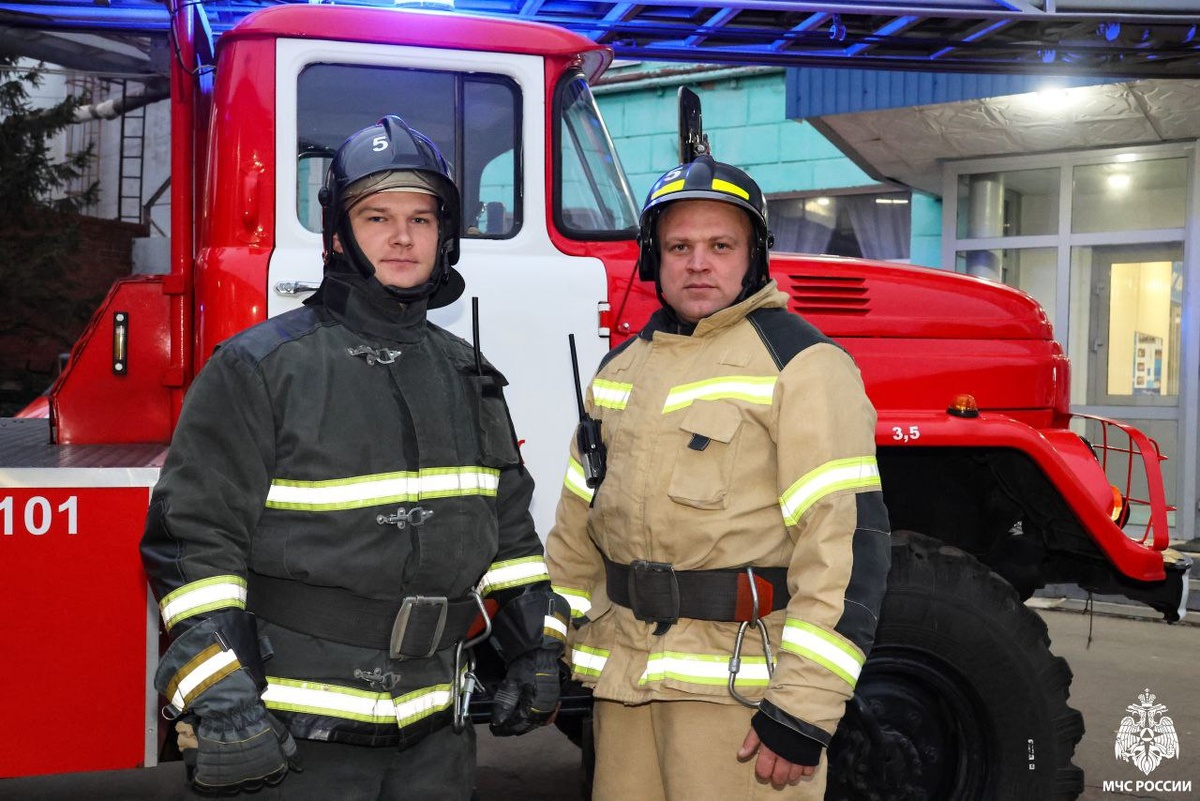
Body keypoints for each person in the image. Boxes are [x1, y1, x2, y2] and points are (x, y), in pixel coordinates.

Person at [141, 115, 569, 799]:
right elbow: (193, 543)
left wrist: (534, 646)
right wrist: (223, 696)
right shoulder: (260, 368)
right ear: (338, 234)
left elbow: (510, 535)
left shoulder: (470, 375)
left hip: (436, 735)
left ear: (444, 235)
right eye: (377, 217)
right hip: (293, 736)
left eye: (421, 219)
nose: (402, 237)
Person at [545, 155, 891, 800]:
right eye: (679, 246)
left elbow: (843, 545)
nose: (698, 263)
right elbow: (575, 534)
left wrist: (803, 708)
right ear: (654, 258)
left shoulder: (803, 363)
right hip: (626, 689)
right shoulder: (621, 370)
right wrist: (546, 648)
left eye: (720, 246)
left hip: (744, 703)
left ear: (753, 256)